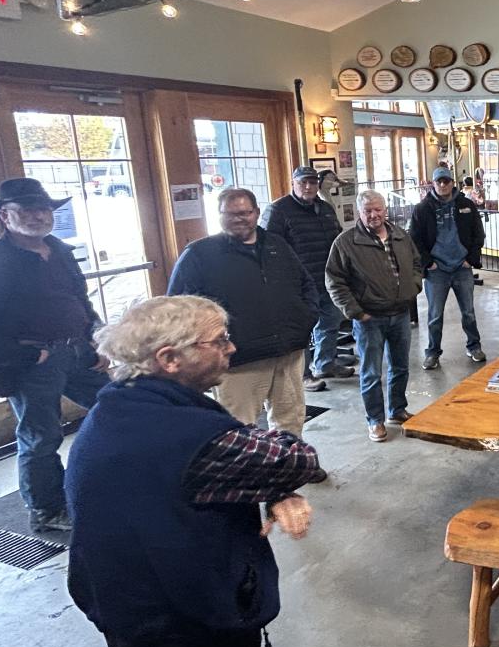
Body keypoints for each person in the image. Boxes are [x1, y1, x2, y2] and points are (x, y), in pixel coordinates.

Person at [66, 295, 324, 647]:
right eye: (219, 340)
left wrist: (271, 489)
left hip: (124, 608)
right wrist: (277, 484)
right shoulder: (192, 437)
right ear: (169, 359)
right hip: (184, 626)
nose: (231, 347)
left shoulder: (119, 407)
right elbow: (297, 459)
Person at [0, 178, 110, 533]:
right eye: (27, 210)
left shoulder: (58, 250)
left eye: (44, 209)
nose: (39, 216)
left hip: (77, 351)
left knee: (116, 407)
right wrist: (22, 356)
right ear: (5, 215)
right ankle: (47, 510)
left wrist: (96, 339)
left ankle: (106, 481)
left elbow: (79, 300)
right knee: (41, 438)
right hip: (33, 363)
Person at [168, 188, 318, 437]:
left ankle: (289, 459)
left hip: (288, 353)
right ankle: (250, 465)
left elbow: (306, 284)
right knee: (238, 429)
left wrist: (306, 319)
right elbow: (179, 308)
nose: (239, 219)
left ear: (256, 213)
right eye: (231, 214)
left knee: (290, 420)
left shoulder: (277, 245)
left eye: (245, 213)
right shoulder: (199, 255)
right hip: (238, 360)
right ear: (219, 215)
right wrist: (210, 346)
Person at [326, 190, 424, 442]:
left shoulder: (400, 236)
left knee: (400, 367)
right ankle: (375, 420)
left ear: (385, 210)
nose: (374, 215)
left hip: (400, 313)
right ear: (359, 212)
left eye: (378, 209)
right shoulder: (346, 243)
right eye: (368, 211)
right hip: (369, 319)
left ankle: (397, 410)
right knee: (371, 373)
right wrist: (355, 311)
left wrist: (413, 286)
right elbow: (335, 280)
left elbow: (416, 263)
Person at [260, 166, 353, 388]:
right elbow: (267, 246)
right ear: (293, 183)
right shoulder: (278, 210)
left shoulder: (325, 208)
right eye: (303, 182)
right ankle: (303, 375)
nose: (308, 187)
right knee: (301, 330)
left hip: (327, 278)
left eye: (312, 182)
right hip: (297, 283)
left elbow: (337, 238)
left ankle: (325, 364)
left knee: (330, 323)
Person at [409, 166, 486, 370]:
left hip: (462, 267)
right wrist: (428, 263)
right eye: (439, 182)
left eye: (446, 181)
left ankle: (474, 346)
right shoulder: (422, 209)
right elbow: (414, 239)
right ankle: (432, 352)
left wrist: (471, 259)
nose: (443, 185)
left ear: (453, 183)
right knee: (435, 315)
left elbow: (478, 233)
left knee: (468, 312)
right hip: (437, 271)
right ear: (433, 184)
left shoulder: (467, 205)